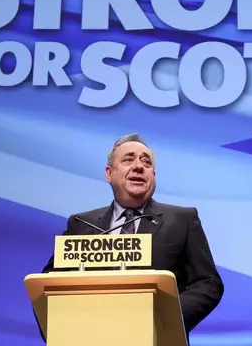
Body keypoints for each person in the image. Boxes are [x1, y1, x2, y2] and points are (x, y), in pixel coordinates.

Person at [39, 133, 224, 339]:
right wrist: (60, 329)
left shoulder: (182, 220)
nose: (138, 166)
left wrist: (165, 317)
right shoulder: (81, 224)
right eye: (128, 160)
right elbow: (48, 285)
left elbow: (208, 282)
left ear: (153, 174)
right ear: (109, 174)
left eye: (146, 162)